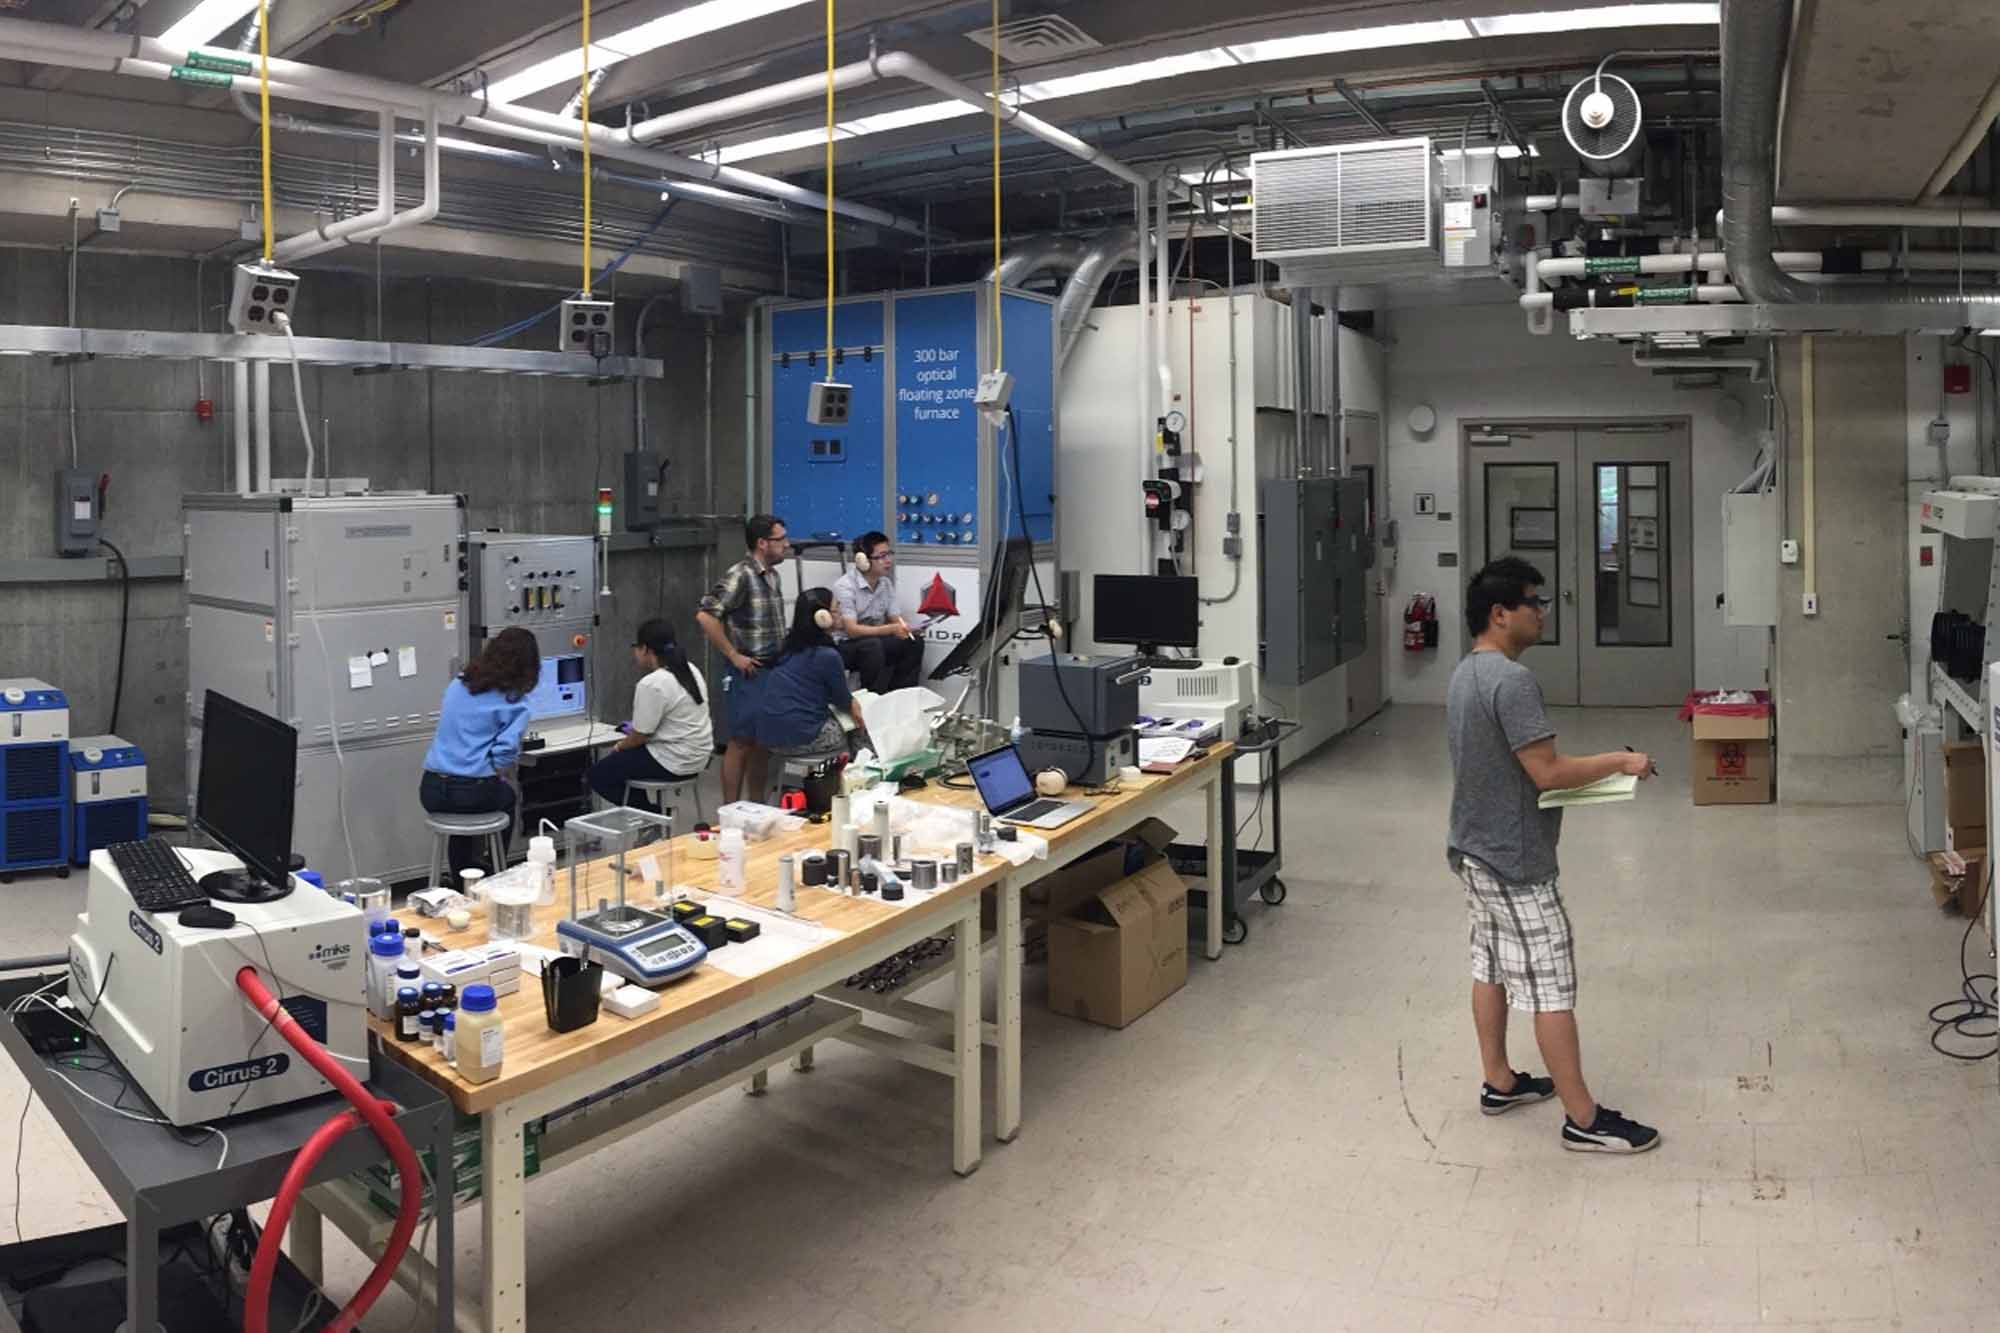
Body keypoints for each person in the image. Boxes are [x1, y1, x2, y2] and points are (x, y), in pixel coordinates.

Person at [1447, 556, 1660, 1155]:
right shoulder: (1512, 682)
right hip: (1514, 863)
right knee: (1550, 987)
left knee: (1489, 965)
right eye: (1533, 602)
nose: (1543, 612)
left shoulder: (1467, 673)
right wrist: (1622, 762)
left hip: (1473, 848)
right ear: (1500, 613)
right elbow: (1546, 772)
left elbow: (1516, 770)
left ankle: (1499, 1081)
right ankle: (1583, 1119)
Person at [419, 627, 538, 877]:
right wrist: (499, 775)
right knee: (507, 796)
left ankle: (462, 877)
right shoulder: (515, 701)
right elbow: (504, 753)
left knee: (460, 822)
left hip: (430, 789)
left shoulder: (459, 683)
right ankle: (495, 872)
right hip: (471, 791)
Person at [696, 514, 789, 804]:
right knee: (741, 742)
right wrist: (734, 655)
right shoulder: (741, 574)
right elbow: (706, 616)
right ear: (762, 543)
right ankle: (731, 810)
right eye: (780, 539)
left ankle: (757, 807)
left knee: (762, 743)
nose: (786, 544)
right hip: (748, 671)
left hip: (772, 670)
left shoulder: (772, 576)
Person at [588, 618, 714, 813]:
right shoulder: (690, 669)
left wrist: (619, 746)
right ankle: (651, 816)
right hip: (699, 756)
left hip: (672, 760)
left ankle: (652, 815)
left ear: (645, 649)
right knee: (623, 764)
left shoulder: (652, 683)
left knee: (599, 774)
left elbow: (640, 736)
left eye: (636, 647)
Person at [751, 588, 864, 757]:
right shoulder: (827, 655)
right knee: (860, 724)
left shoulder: (788, 647)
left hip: (769, 737)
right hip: (802, 738)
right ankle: (863, 776)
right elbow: (842, 700)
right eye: (836, 608)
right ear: (823, 618)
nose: (841, 612)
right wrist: (853, 703)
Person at [832, 531, 924, 694]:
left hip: (875, 640)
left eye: (889, 554)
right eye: (881, 556)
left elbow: (895, 618)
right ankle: (872, 699)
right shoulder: (845, 586)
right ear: (863, 561)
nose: (888, 560)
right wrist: (891, 629)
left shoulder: (885, 583)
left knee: (913, 642)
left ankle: (900, 696)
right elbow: (852, 631)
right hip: (846, 645)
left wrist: (907, 628)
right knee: (873, 646)